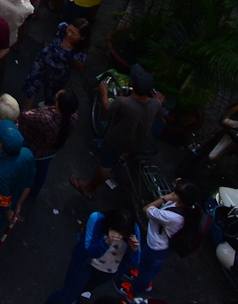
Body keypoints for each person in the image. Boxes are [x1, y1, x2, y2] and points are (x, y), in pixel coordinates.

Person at [70, 68, 161, 196]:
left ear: (132, 85)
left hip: (118, 140)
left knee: (106, 164)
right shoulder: (155, 104)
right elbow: (159, 107)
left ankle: (89, 189)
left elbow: (107, 109)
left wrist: (104, 93)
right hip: (139, 142)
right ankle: (126, 157)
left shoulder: (123, 102)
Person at [43, 209, 139, 304]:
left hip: (105, 273)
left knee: (81, 291)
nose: (120, 237)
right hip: (86, 264)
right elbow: (89, 251)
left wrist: (133, 250)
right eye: (118, 233)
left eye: (123, 235)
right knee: (68, 294)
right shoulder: (97, 219)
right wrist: (106, 242)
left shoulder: (133, 231)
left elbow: (133, 262)